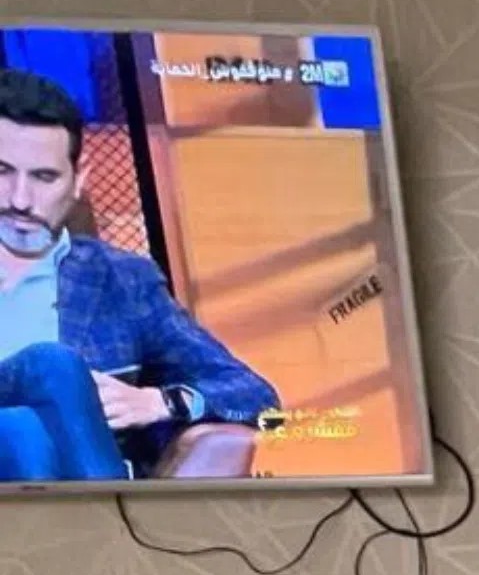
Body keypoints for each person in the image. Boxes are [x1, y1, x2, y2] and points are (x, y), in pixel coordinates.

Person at [0, 66, 277, 481]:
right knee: (50, 367)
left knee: (25, 432)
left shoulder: (123, 282)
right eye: (2, 171)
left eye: (44, 177)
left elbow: (258, 398)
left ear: (79, 181)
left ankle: (95, 509)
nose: (20, 200)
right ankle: (108, 511)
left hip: (51, 479)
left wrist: (159, 402)